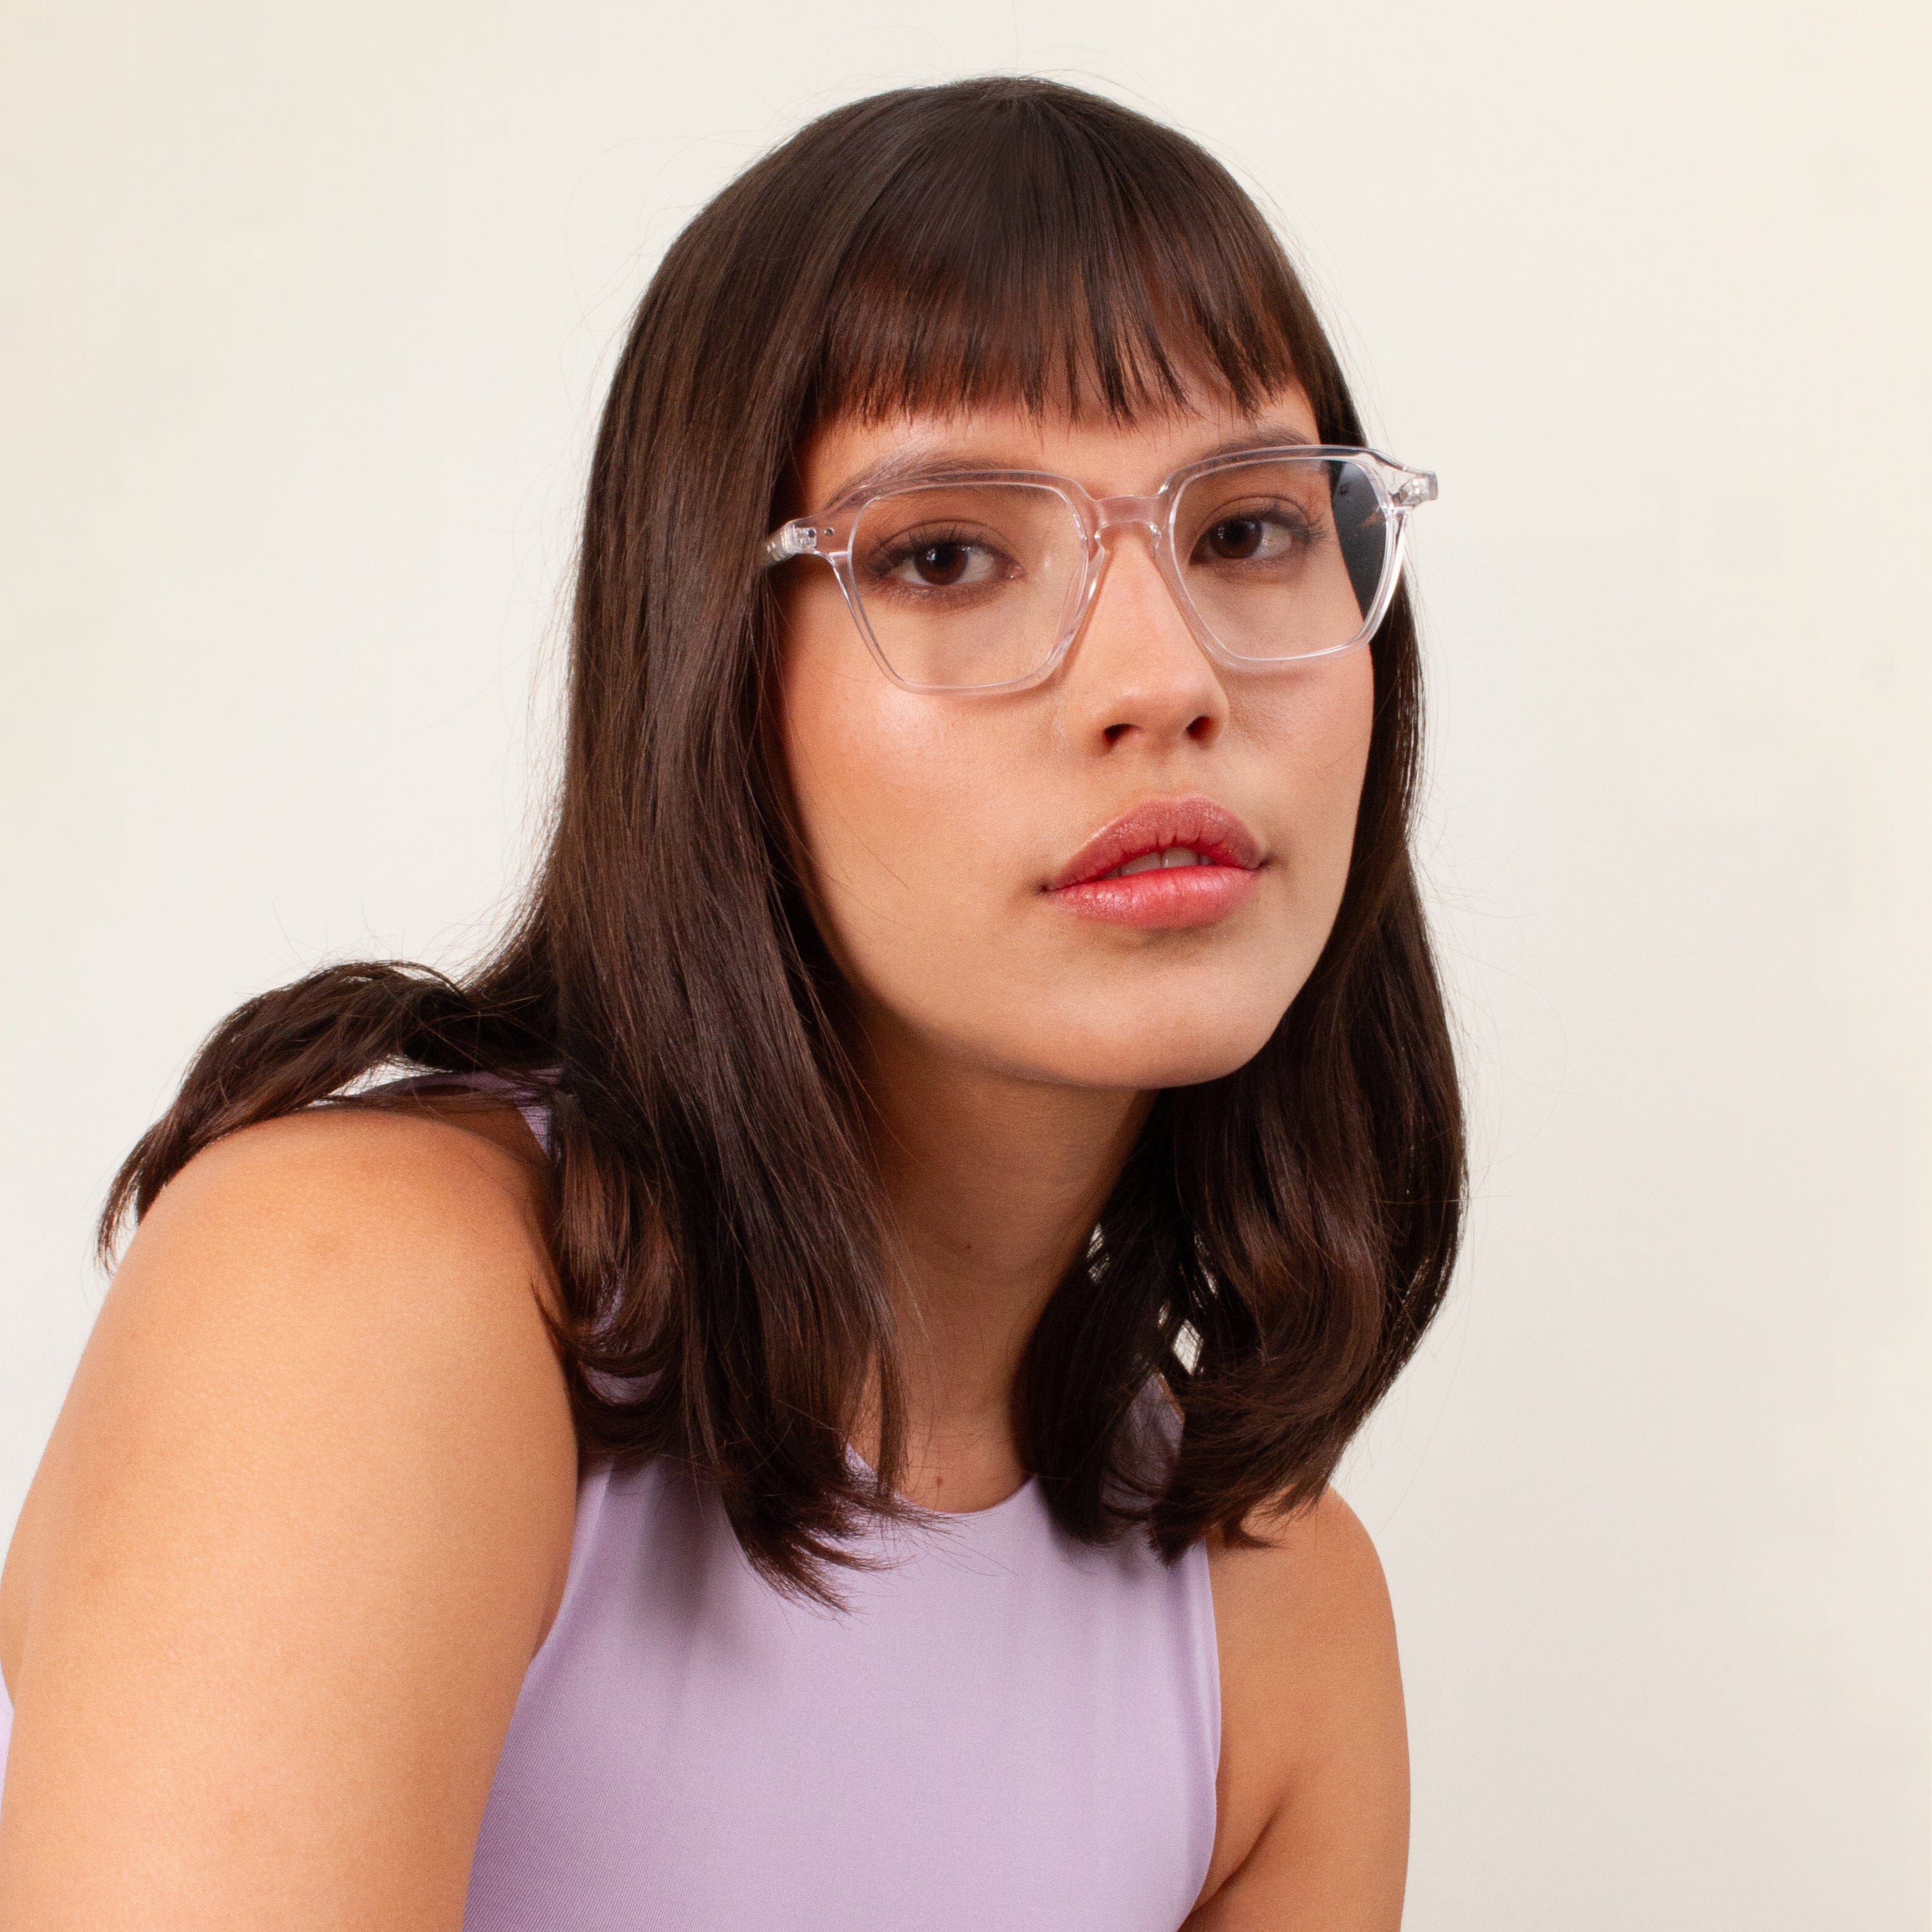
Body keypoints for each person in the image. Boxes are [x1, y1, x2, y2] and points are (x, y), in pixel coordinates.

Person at [0, 74, 1464, 1930]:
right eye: (946, 554)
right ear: (709, 666)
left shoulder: (1278, 1633)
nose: (1165, 678)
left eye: (1248, 529)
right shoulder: (362, 1292)